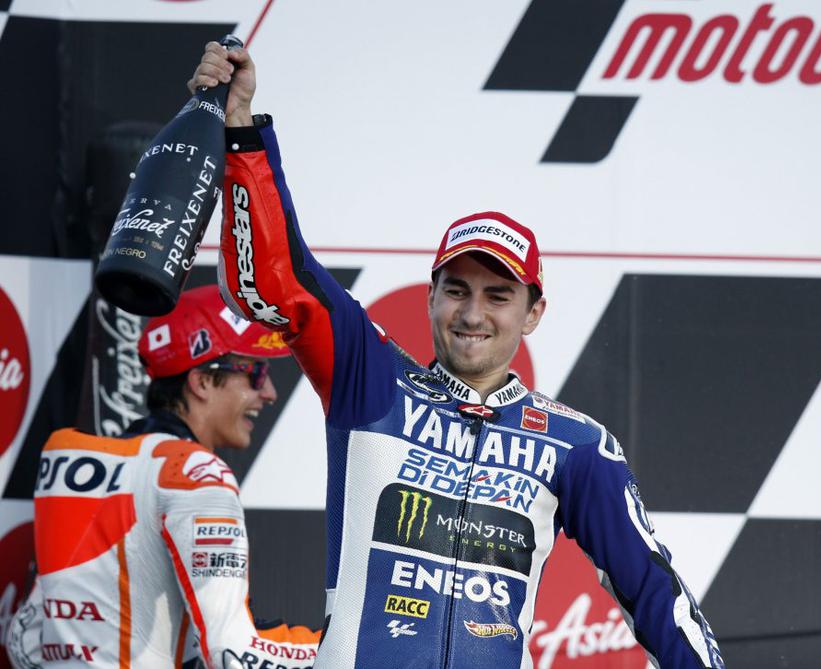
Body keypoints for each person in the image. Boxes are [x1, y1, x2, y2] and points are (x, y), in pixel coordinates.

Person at [194, 41, 725, 669]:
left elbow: (656, 592)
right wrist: (240, 129)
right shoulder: (371, 383)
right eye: (457, 291)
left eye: (498, 296)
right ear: (430, 297)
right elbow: (280, 279)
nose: (473, 314)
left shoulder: (576, 445)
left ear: (533, 313)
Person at [4, 286, 320, 669]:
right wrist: (346, 647)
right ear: (201, 382)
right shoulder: (193, 473)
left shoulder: (69, 459)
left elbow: (23, 641)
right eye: (255, 373)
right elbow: (234, 652)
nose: (269, 393)